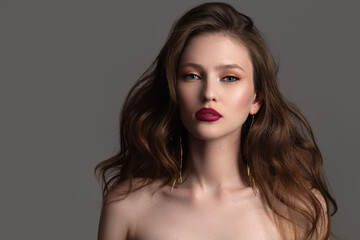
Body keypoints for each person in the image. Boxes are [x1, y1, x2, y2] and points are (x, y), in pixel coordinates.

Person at [94, 2, 337, 239]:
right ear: (173, 90)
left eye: (229, 78)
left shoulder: (299, 208)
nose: (208, 93)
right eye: (192, 76)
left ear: (256, 100)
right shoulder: (128, 206)